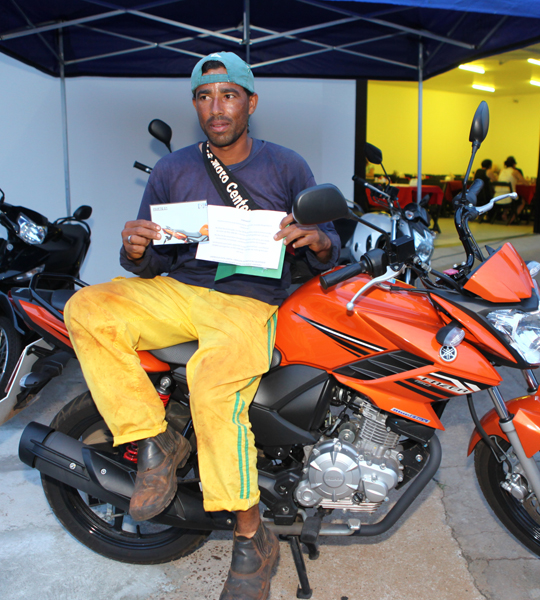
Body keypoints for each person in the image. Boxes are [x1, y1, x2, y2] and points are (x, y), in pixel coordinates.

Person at [64, 51, 340, 600]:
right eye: (205, 96)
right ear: (195, 105)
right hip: (180, 291)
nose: (217, 107)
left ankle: (250, 538)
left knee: (213, 386)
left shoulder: (286, 166)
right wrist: (134, 248)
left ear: (250, 102)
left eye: (229, 94)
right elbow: (151, 262)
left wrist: (318, 240)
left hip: (249, 301)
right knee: (86, 308)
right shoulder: (172, 170)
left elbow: (329, 246)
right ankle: (154, 440)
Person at [496, 156, 529, 223]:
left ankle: (504, 214)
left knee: (508, 200)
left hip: (497, 196)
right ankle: (512, 219)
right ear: (514, 164)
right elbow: (526, 183)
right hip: (509, 197)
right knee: (522, 201)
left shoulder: (501, 171)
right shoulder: (515, 172)